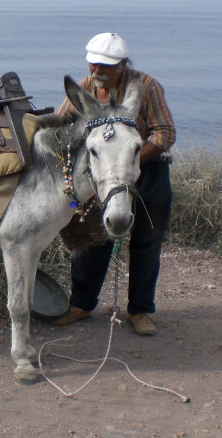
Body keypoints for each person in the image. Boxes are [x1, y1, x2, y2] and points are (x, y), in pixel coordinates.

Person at [52, 32, 176, 335]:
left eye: (105, 66)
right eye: (93, 64)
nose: (97, 71)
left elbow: (164, 132)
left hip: (146, 169)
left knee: (146, 241)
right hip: (100, 176)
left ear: (122, 64)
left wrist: (130, 161)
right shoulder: (85, 88)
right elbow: (62, 123)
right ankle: (81, 305)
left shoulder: (146, 87)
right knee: (91, 239)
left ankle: (140, 311)